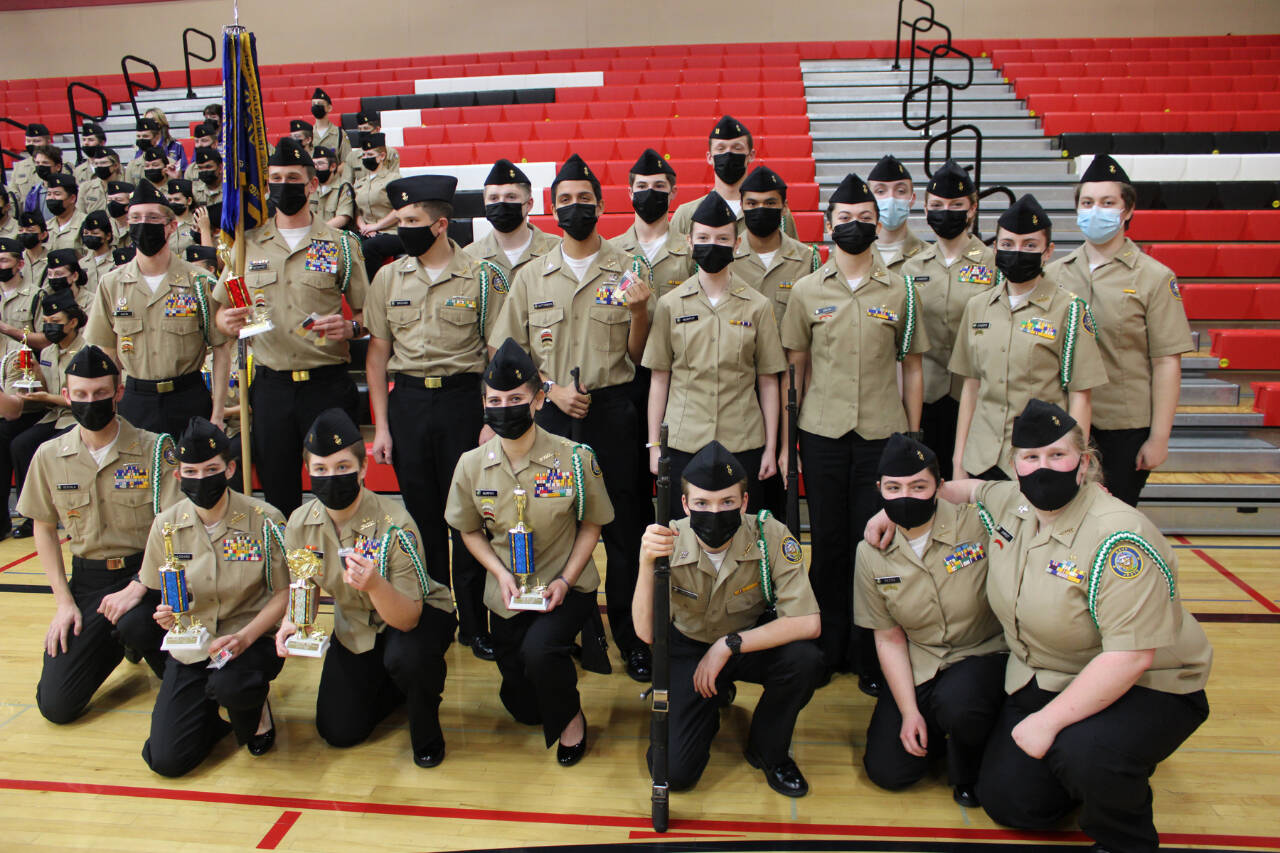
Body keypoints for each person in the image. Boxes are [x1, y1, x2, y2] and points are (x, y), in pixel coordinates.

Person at [869, 398, 1212, 853]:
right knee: (1012, 804)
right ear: (1014, 465)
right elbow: (964, 490)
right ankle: (1093, 758)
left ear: (1083, 462)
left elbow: (1131, 656)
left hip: (1147, 683)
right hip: (1047, 671)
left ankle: (1123, 833)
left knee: (1084, 753)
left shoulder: (1120, 536)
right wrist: (893, 507)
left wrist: (1049, 724)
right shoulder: (1014, 501)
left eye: (1057, 455)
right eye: (1030, 458)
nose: (1042, 467)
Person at [489, 153, 654, 681]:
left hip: (614, 415)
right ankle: (571, 632)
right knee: (554, 527)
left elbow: (644, 353)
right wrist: (548, 391)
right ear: (551, 209)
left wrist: (640, 311)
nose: (576, 208)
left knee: (626, 533)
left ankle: (633, 637)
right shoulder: (532, 277)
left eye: (585, 200)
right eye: (565, 201)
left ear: (603, 206)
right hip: (554, 419)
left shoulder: (629, 270)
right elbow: (506, 356)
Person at [779, 171, 929, 689]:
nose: (856, 226)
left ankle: (870, 652)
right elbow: (796, 368)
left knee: (874, 545)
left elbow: (911, 366)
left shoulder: (902, 289)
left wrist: (912, 436)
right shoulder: (805, 291)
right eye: (845, 219)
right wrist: (790, 437)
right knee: (828, 541)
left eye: (866, 219)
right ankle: (826, 645)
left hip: (882, 438)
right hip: (820, 434)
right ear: (827, 226)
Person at [445, 339, 612, 764]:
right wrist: (499, 574)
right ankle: (541, 681)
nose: (505, 407)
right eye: (495, 400)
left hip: (565, 585)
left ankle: (573, 719)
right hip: (507, 595)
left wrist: (565, 580)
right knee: (523, 706)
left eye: (516, 398)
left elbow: (592, 523)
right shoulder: (470, 464)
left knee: (540, 654)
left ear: (538, 400)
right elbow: (469, 532)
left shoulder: (575, 459)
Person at [365, 174, 506, 661]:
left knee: (466, 518)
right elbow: (378, 355)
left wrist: (492, 417)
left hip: (463, 403)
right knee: (423, 519)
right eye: (399, 220)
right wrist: (381, 427)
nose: (401, 228)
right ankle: (438, 616)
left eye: (411, 221)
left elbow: (496, 354)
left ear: (441, 224)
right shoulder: (388, 278)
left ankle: (474, 622)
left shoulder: (483, 277)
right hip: (407, 405)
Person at [634, 440, 822, 796]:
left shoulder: (771, 536)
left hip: (746, 642)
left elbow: (808, 622)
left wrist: (728, 646)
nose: (715, 512)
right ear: (685, 504)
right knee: (674, 773)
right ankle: (711, 697)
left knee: (805, 660)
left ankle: (769, 750)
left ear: (745, 502)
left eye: (728, 502)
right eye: (702, 503)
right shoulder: (666, 540)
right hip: (688, 648)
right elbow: (645, 631)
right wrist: (646, 564)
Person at [279, 408, 457, 768]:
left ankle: (426, 728)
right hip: (357, 626)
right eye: (321, 469)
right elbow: (305, 582)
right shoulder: (300, 523)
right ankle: (389, 685)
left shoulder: (395, 524)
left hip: (414, 616)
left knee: (407, 658)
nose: (332, 477)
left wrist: (374, 584)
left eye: (343, 467)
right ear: (309, 472)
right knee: (338, 731)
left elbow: (407, 618)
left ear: (363, 469)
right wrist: (292, 621)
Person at [17, 344, 180, 723]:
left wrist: (140, 584)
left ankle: (151, 651)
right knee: (57, 705)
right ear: (68, 394)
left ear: (118, 392)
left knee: (137, 623)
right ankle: (121, 641)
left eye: (101, 394)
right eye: (81, 395)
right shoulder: (49, 455)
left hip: (147, 577)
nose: (91, 402)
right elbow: (42, 525)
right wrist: (63, 603)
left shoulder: (156, 449)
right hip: (89, 581)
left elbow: (171, 526)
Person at [116, 418, 287, 776]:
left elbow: (285, 594)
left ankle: (253, 712)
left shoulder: (265, 519)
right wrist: (166, 616)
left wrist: (246, 637)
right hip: (194, 643)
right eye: (190, 471)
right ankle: (209, 708)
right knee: (167, 761)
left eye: (211, 469)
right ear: (178, 476)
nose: (201, 479)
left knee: (234, 688)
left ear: (230, 468)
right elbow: (158, 588)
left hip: (249, 638)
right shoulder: (166, 523)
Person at [212, 136, 369, 515]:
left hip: (326, 383)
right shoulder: (247, 246)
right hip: (271, 387)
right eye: (276, 178)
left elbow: (368, 319)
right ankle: (288, 570)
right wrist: (227, 320)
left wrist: (349, 328)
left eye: (293, 177)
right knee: (278, 492)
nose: (284, 186)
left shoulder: (340, 245)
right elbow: (220, 312)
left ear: (312, 184)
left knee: (337, 489)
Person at [853, 433, 1006, 807]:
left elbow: (1018, 495)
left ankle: (970, 764)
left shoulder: (979, 524)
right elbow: (888, 637)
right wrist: (908, 713)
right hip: (924, 661)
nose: (905, 496)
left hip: (982, 653)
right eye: (893, 487)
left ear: (940, 486)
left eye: (918, 486)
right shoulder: (871, 553)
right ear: (880, 489)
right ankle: (936, 727)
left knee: (961, 702)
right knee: (888, 772)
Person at [1046, 154, 1193, 506]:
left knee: (1113, 517)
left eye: (1107, 202)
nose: (1096, 210)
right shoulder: (1054, 274)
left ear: (1127, 210)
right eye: (1087, 202)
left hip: (1123, 427)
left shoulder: (1154, 278)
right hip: (1063, 421)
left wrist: (1159, 438)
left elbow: (1166, 362)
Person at [643, 190, 786, 514]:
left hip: (743, 441)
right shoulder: (670, 305)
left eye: (722, 238)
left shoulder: (758, 306)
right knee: (683, 537)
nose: (713, 245)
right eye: (704, 237)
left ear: (737, 245)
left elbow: (767, 381)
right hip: (683, 442)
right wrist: (654, 446)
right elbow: (660, 379)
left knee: (745, 534)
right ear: (690, 243)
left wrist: (770, 447)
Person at [950, 194, 1107, 481]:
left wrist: (1077, 466)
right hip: (982, 456)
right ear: (995, 248)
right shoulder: (977, 306)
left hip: (1040, 458)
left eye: (1030, 245)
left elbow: (1080, 396)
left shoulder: (1070, 310)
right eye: (1008, 245)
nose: (1017, 252)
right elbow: (971, 387)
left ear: (1048, 252)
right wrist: (959, 458)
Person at [86, 180, 229, 436]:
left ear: (172, 226)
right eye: (136, 218)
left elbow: (221, 349)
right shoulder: (111, 284)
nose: (143, 225)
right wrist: (111, 410)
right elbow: (108, 354)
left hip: (188, 398)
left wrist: (217, 414)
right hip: (135, 400)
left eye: (152, 218)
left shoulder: (199, 282)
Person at [904, 159, 999, 478]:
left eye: (956, 204)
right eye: (938, 205)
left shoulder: (994, 264)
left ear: (972, 209)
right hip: (924, 394)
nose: (946, 211)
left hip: (975, 393)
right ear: (926, 210)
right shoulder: (913, 267)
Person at [6, 288, 88, 540]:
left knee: (57, 448)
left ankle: (76, 518)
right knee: (21, 445)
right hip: (52, 416)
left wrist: (46, 398)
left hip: (78, 418)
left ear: (73, 322)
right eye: (47, 323)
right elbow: (46, 389)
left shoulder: (86, 350)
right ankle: (32, 515)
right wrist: (35, 375)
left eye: (56, 322)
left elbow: (81, 400)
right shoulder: (49, 351)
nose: (50, 327)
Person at [669, 116, 797, 238]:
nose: (728, 154)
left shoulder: (775, 212)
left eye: (737, 148)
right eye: (721, 148)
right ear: (709, 157)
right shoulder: (686, 215)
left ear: (751, 155)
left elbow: (792, 256)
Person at [733, 165, 819, 330]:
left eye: (770, 203)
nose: (761, 209)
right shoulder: (726, 258)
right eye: (752, 203)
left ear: (784, 207)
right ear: (742, 206)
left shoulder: (807, 259)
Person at [610, 149, 694, 301]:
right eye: (642, 186)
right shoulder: (610, 251)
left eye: (659, 186)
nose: (650, 192)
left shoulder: (691, 252)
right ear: (630, 193)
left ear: (673, 192)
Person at [463, 159, 561, 285]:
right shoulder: (469, 257)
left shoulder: (557, 250)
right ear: (485, 204)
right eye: (494, 198)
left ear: (529, 204)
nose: (502, 203)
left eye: (511, 197)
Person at [867, 155, 927, 273]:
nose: (891, 198)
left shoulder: (930, 257)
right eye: (880, 191)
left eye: (900, 191)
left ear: (912, 198)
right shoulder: (852, 256)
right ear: (869, 199)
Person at [0, 235, 40, 356]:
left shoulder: (35, 295)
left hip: (26, 363)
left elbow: (46, 341)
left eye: (4, 260)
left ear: (20, 264)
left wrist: (7, 330)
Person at [345, 111, 400, 182]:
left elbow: (394, 181)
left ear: (377, 129)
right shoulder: (352, 156)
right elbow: (346, 184)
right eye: (360, 129)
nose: (362, 132)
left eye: (366, 128)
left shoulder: (391, 153)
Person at [310, 145, 355, 231]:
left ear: (333, 166)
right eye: (313, 164)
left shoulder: (343, 187)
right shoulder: (310, 187)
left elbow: (343, 218)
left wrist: (319, 230)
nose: (316, 168)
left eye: (320, 164)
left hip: (335, 234)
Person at [10, 123, 53, 204]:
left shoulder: (61, 165)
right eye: (28, 141)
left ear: (48, 142)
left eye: (36, 141)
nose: (31, 144)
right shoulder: (19, 167)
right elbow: (14, 197)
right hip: (27, 214)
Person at [309, 88, 351, 166]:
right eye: (314, 104)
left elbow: (347, 161)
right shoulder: (308, 134)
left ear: (329, 108)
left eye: (320, 103)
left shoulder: (339, 134)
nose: (316, 106)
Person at [45, 173, 85, 253]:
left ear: (72, 198)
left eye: (57, 194)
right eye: (49, 194)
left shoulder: (85, 223)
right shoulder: (46, 226)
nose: (52, 198)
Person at [76, 147, 121, 216]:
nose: (99, 166)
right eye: (96, 163)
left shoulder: (125, 187)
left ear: (115, 165)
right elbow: (79, 214)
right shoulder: (86, 187)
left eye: (103, 163)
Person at [80, 211, 115, 291]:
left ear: (108, 236)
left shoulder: (118, 261)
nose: (89, 236)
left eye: (95, 233)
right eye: (86, 233)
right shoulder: (81, 264)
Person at [125, 118, 164, 184]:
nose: (141, 139)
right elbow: (129, 191)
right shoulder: (132, 166)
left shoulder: (169, 163)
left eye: (145, 136)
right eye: (138, 136)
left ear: (156, 137)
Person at [17, 211, 50, 285]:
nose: (24, 233)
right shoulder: (16, 260)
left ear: (43, 235)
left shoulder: (51, 260)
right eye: (20, 230)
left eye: (30, 230)